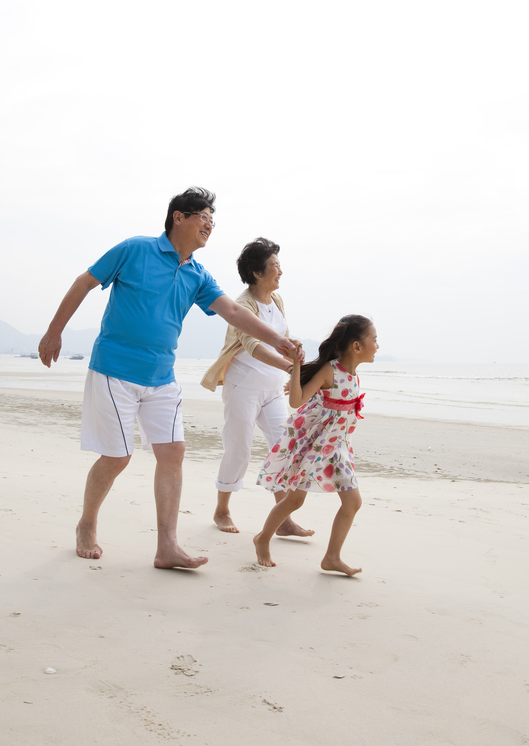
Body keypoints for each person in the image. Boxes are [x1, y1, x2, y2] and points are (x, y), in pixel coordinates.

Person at [37, 187, 298, 570]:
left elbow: (232, 312)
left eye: (213, 219)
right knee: (117, 457)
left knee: (173, 452)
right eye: (204, 216)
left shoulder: (196, 273)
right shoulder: (135, 249)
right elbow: (84, 282)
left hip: (162, 376)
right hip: (115, 369)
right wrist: (54, 331)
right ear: (179, 217)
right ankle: (87, 524)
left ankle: (167, 547)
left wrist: (279, 340)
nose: (209, 224)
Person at [201, 238, 312, 538]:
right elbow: (253, 347)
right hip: (243, 388)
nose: (280, 271)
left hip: (273, 388)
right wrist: (289, 367)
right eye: (274, 266)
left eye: (279, 264)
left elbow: (280, 339)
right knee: (239, 450)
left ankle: (283, 520)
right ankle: (222, 509)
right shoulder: (242, 306)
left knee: (284, 447)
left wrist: (295, 357)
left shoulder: (277, 301)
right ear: (256, 273)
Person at [253, 314, 379, 575]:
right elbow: (297, 402)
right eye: (374, 341)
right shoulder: (329, 371)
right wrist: (297, 366)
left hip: (339, 449)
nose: (377, 346)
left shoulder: (354, 375)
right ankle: (263, 538)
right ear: (357, 346)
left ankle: (332, 557)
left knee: (352, 502)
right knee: (295, 500)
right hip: (317, 447)